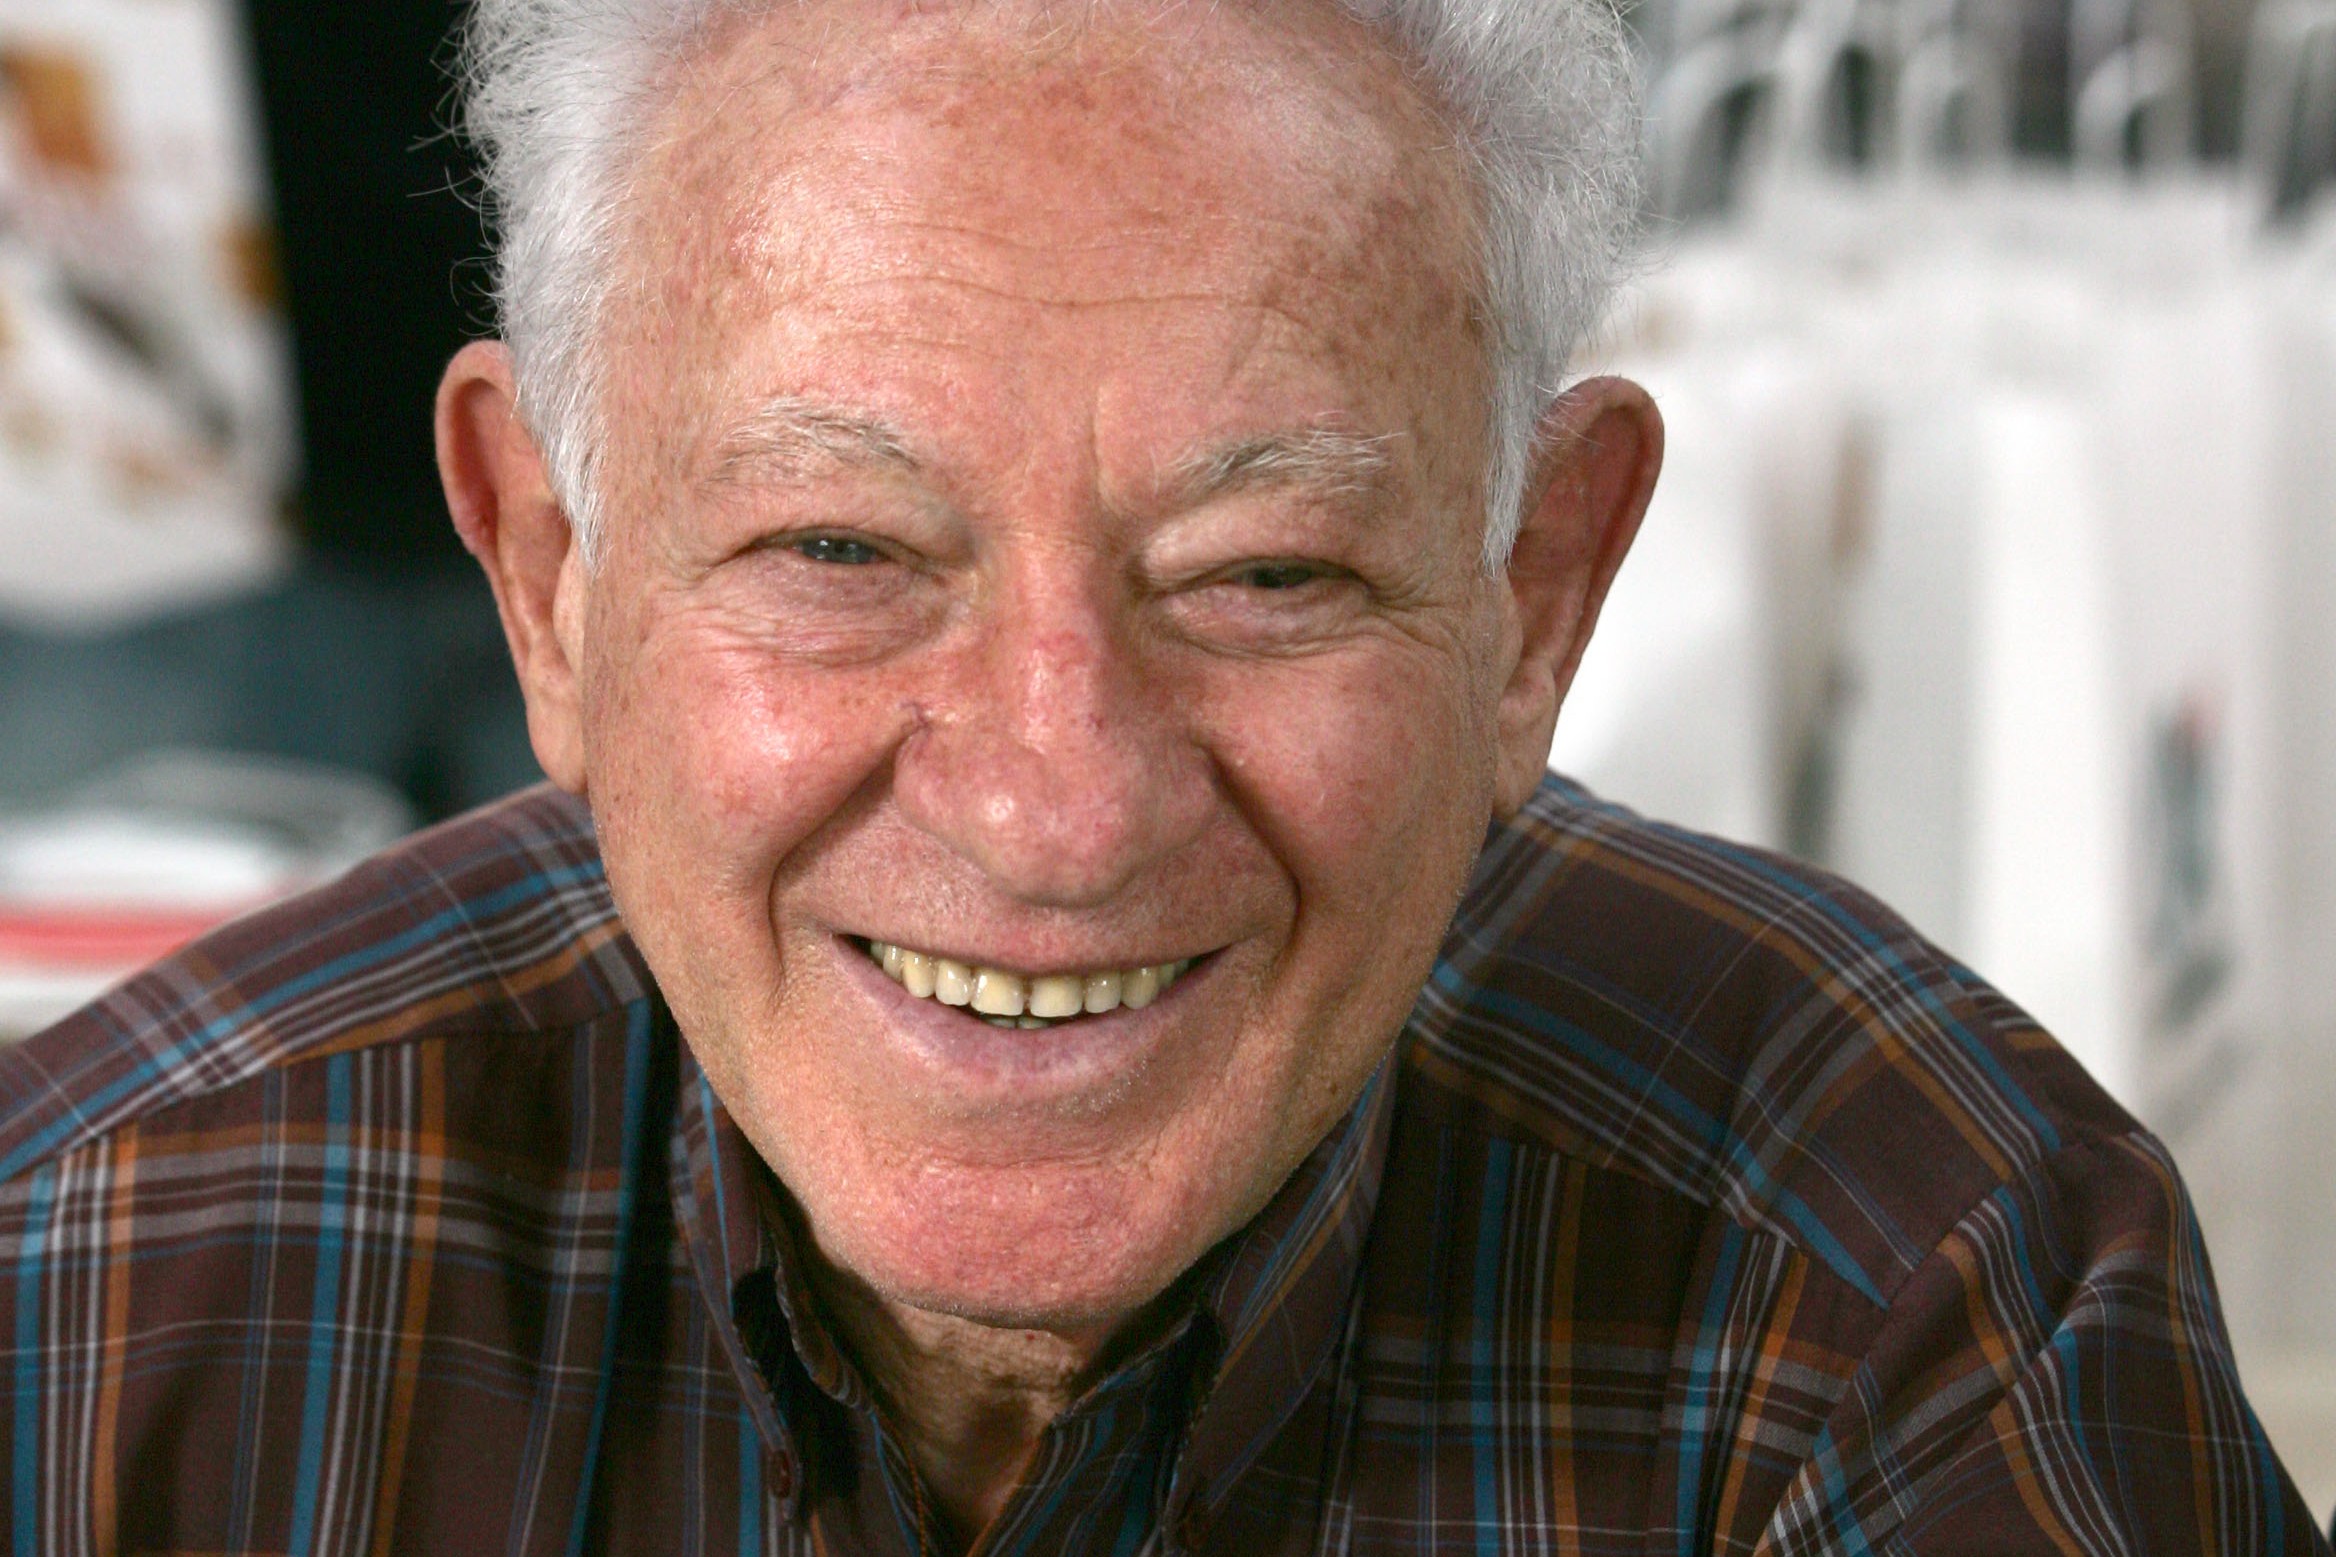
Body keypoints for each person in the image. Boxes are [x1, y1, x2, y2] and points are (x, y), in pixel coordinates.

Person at [0, 0, 2320, 1550]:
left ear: (1532, 594)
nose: (1058, 803)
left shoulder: (1914, 1294)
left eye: (1265, 573)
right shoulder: (97, 1290)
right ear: (547, 570)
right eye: (839, 550)